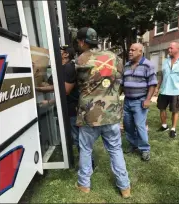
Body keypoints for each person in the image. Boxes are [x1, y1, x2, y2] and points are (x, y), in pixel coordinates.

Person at [74, 27, 130, 198]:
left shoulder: (81, 59)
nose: (78, 44)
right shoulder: (115, 58)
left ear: (83, 41)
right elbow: (121, 80)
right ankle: (125, 188)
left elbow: (77, 82)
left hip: (89, 115)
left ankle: (84, 185)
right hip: (111, 113)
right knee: (115, 149)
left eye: (78, 42)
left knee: (85, 149)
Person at [36, 45, 80, 150]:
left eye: (59, 50)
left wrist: (40, 89)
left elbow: (65, 90)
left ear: (66, 55)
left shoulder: (69, 67)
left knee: (77, 136)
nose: (55, 52)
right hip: (63, 106)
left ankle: (87, 162)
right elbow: (49, 84)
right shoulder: (59, 68)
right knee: (70, 134)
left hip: (71, 108)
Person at [121, 43, 157, 161]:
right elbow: (122, 83)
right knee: (128, 125)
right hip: (127, 101)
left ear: (140, 52)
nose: (130, 52)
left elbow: (152, 84)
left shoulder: (148, 65)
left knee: (140, 125)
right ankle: (133, 144)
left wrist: (147, 100)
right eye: (130, 50)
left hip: (140, 101)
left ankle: (145, 149)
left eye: (133, 50)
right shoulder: (126, 65)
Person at [155, 41, 179, 138]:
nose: (169, 50)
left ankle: (173, 129)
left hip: (176, 91)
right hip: (164, 90)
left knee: (175, 110)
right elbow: (162, 76)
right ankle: (164, 126)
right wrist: (157, 87)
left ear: (177, 49)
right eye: (169, 48)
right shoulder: (166, 61)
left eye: (171, 48)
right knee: (162, 108)